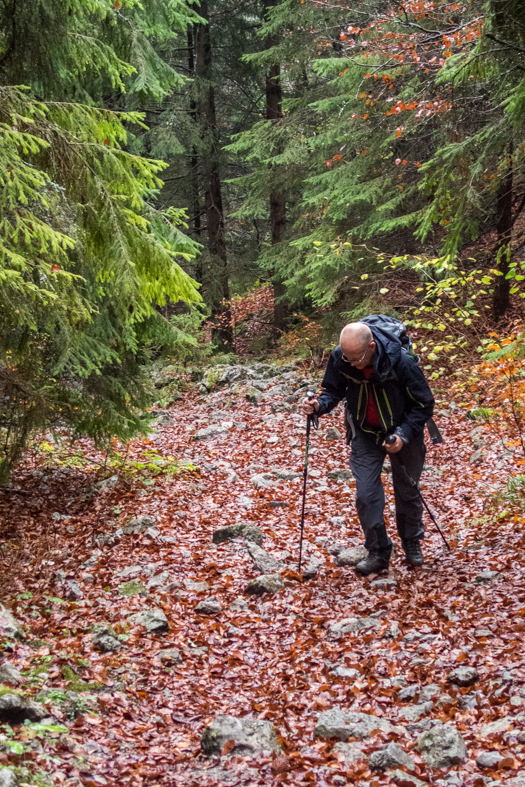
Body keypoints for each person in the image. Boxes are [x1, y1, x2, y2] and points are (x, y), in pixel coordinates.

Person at [303, 321, 435, 575]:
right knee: (366, 494)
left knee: (407, 490)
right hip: (364, 432)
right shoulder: (341, 358)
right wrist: (318, 406)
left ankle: (411, 542)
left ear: (372, 347)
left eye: (356, 358)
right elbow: (333, 390)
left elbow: (424, 404)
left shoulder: (402, 364)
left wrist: (403, 435)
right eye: (346, 357)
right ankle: (378, 551)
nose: (350, 363)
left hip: (403, 432)